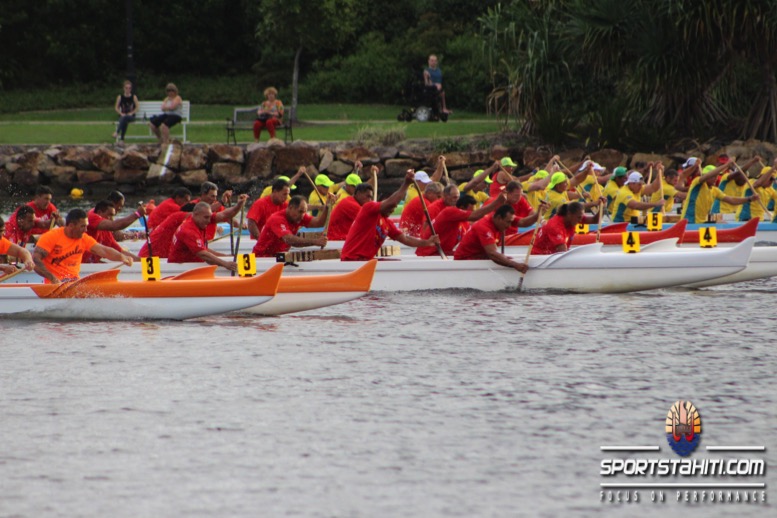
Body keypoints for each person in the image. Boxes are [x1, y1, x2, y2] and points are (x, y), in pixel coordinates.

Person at [341, 169, 440, 261]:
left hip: (365, 261)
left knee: (396, 261)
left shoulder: (387, 223)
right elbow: (392, 202)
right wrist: (406, 183)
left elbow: (405, 239)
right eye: (390, 207)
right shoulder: (368, 208)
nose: (392, 210)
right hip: (351, 259)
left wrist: (427, 242)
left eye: (393, 208)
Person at [32, 209, 133, 283]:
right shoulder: (51, 237)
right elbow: (35, 260)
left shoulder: (83, 238)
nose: (86, 230)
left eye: (86, 226)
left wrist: (122, 257)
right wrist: (52, 278)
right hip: (55, 285)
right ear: (71, 225)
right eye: (82, 226)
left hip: (74, 282)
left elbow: (104, 251)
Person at [167, 196, 249, 270]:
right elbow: (203, 254)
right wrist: (225, 264)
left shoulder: (201, 219)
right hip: (179, 269)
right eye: (206, 217)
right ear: (195, 214)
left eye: (210, 217)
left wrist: (239, 205)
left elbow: (225, 215)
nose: (209, 221)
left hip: (192, 266)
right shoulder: (188, 230)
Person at [416, 192, 506, 256]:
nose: (471, 213)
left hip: (442, 253)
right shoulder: (449, 211)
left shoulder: (464, 224)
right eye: (471, 210)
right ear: (462, 208)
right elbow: (476, 216)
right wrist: (497, 202)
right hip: (428, 254)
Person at [452, 205, 528, 273]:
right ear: (499, 218)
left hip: (479, 257)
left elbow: (524, 222)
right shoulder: (484, 227)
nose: (509, 226)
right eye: (508, 222)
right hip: (464, 261)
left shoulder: (494, 219)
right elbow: (492, 254)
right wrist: (515, 265)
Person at [252, 195, 332, 257]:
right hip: (261, 257)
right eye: (300, 211)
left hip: (279, 257)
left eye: (304, 212)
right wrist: (315, 242)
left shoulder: (299, 216)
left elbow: (319, 223)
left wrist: (327, 207)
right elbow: (289, 240)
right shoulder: (277, 219)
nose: (302, 215)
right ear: (290, 207)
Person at [680, 162, 757, 223]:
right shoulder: (697, 183)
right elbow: (706, 176)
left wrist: (749, 198)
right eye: (714, 176)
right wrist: (726, 164)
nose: (716, 179)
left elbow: (732, 200)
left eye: (717, 176)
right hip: (689, 221)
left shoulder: (715, 190)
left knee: (722, 223)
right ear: (706, 175)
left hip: (702, 222)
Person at [113, 80, 139, 144]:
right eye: (126, 88)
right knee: (124, 119)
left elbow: (137, 107)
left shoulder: (134, 97)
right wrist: (120, 113)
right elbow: (116, 107)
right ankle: (122, 140)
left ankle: (117, 132)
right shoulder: (120, 97)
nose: (128, 89)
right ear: (123, 88)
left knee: (125, 118)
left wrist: (132, 113)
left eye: (129, 88)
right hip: (123, 116)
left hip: (131, 116)